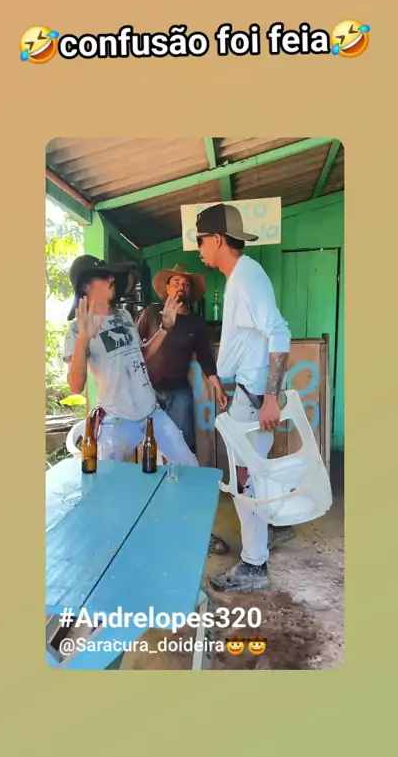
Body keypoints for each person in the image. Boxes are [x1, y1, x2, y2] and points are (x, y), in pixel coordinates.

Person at [195, 203, 293, 593]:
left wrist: (270, 397)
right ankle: (270, 527)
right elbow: (249, 342)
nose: (199, 249)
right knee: (251, 476)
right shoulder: (240, 277)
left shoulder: (247, 277)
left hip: (255, 402)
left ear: (218, 240)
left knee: (243, 482)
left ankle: (254, 565)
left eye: (201, 240)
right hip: (248, 395)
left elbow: (279, 332)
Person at [63, 255, 198, 467]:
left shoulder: (124, 316)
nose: (111, 279)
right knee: (110, 481)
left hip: (152, 413)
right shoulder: (75, 330)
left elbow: (140, 355)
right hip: (117, 421)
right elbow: (75, 386)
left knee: (190, 466)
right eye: (103, 276)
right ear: (85, 285)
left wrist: (165, 328)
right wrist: (82, 340)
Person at [136, 263, 230, 555]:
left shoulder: (196, 324)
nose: (180, 287)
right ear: (166, 288)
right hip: (146, 394)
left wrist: (218, 387)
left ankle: (190, 517)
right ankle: (149, 517)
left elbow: (205, 358)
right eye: (176, 282)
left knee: (184, 454)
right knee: (145, 454)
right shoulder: (151, 314)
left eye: (185, 284)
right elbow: (133, 350)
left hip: (179, 393)